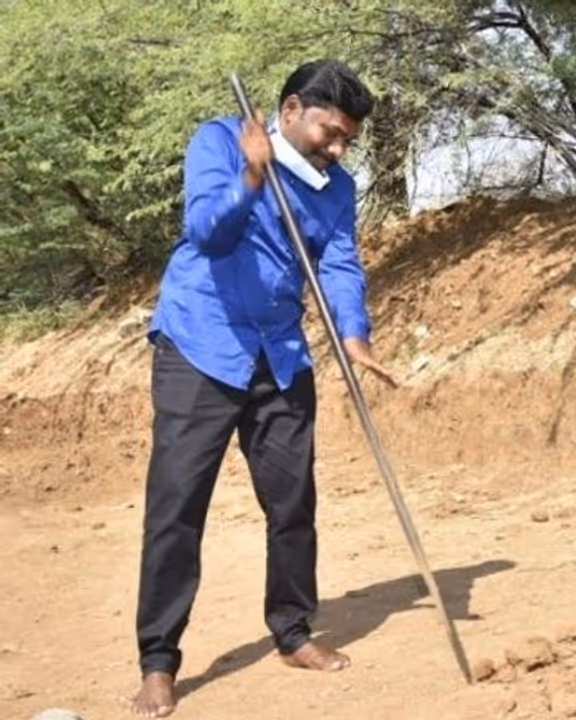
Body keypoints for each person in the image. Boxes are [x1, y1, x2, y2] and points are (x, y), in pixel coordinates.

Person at [131, 60, 396, 718]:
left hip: (279, 355)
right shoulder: (219, 142)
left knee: (292, 500)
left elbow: (338, 260)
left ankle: (293, 631)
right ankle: (159, 660)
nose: (336, 150)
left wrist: (354, 335)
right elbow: (207, 234)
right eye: (329, 133)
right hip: (201, 346)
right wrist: (253, 175)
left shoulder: (336, 187)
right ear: (290, 111)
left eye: (346, 142)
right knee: (177, 508)